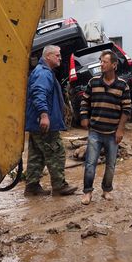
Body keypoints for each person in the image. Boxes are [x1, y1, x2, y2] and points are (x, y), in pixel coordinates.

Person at [24, 45, 77, 197]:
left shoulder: (43, 72)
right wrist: (44, 115)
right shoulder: (43, 74)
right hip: (44, 123)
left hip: (36, 123)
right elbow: (38, 93)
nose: (60, 58)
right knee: (57, 152)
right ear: (47, 56)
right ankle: (59, 186)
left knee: (37, 155)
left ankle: (32, 187)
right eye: (57, 55)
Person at [80, 50, 132, 205]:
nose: (101, 64)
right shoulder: (93, 82)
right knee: (90, 163)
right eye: (100, 61)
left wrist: (120, 130)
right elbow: (85, 101)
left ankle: (106, 190)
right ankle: (87, 192)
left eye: (104, 62)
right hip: (95, 131)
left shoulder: (123, 85)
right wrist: (84, 117)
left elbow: (127, 109)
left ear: (114, 65)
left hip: (112, 133)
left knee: (111, 164)